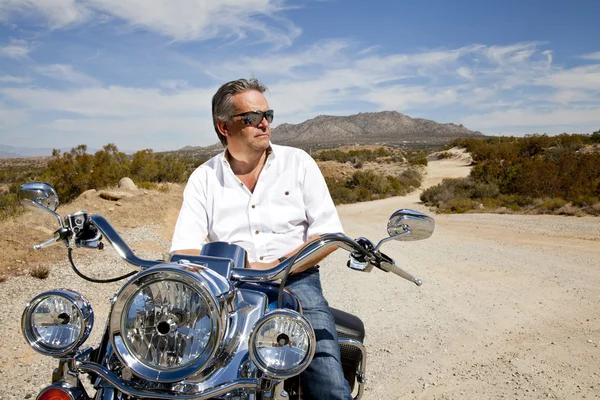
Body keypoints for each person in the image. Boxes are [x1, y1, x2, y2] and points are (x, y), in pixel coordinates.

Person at [170, 78, 352, 399]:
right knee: (190, 371)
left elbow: (328, 234)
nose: (265, 122)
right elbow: (184, 251)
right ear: (224, 127)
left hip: (296, 282)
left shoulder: (298, 163)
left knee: (326, 376)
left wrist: (280, 266)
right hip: (229, 289)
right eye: (252, 117)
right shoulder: (204, 178)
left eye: (268, 114)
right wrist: (233, 270)